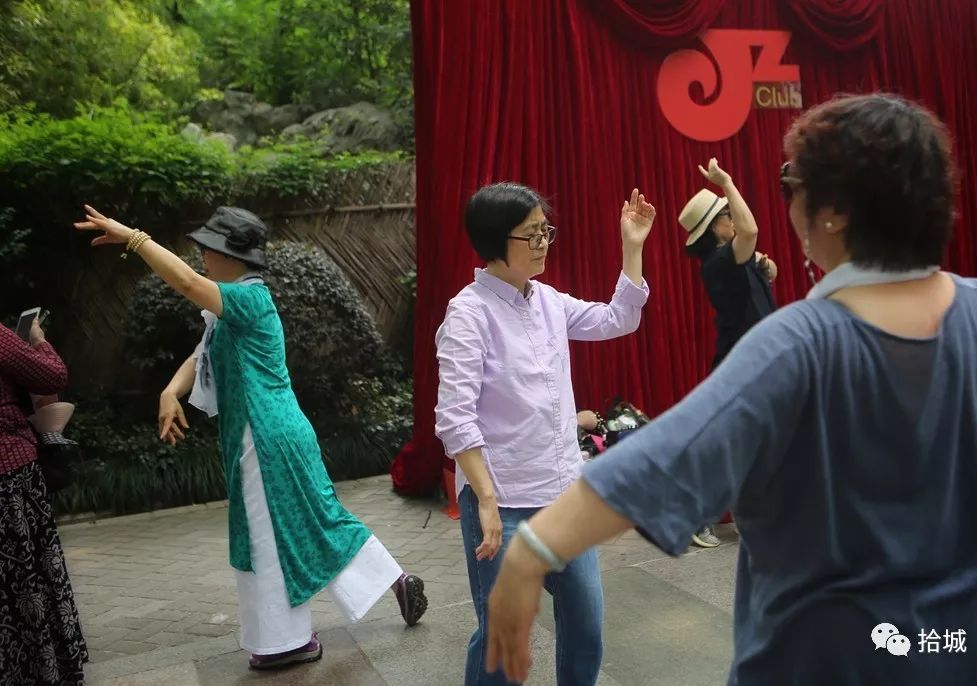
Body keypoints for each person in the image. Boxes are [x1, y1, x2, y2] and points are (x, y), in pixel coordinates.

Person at [483, 93, 977, 685]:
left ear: (832, 213)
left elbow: (658, 465)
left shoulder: (798, 346)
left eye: (792, 186)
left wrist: (529, 555)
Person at [74, 205, 427, 670]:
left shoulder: (250, 299)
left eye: (208, 249)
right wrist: (170, 391)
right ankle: (396, 581)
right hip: (266, 436)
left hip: (267, 439)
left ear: (230, 256)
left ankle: (285, 643)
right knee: (314, 522)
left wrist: (134, 238)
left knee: (270, 534)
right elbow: (200, 354)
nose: (202, 256)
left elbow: (186, 284)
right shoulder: (231, 309)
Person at [435, 182, 655, 685]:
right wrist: (485, 500)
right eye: (530, 235)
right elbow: (454, 417)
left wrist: (632, 246)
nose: (542, 244)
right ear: (495, 241)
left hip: (564, 499)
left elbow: (618, 319)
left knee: (586, 629)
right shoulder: (468, 313)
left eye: (545, 232)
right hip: (504, 503)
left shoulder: (549, 301)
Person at [678, 159, 778, 548]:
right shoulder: (720, 261)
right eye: (725, 215)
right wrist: (728, 182)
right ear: (712, 228)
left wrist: (765, 265)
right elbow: (750, 229)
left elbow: (769, 271)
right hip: (743, 364)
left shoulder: (735, 257)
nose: (733, 219)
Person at [0, 315, 88, 684]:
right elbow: (51, 376)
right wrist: (37, 339)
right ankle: (42, 669)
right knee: (27, 574)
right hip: (10, 475)